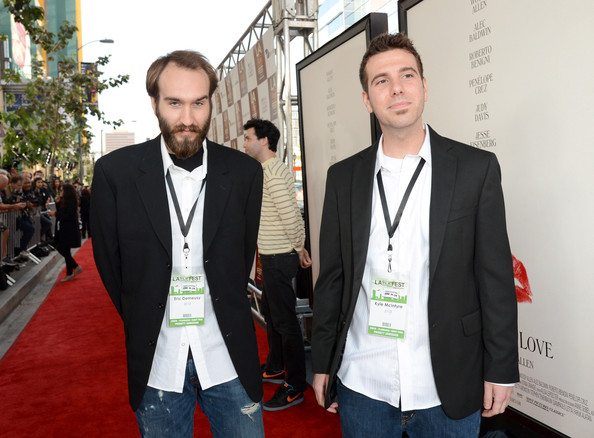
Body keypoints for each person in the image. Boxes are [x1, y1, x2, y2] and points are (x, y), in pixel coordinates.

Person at [311, 32, 519, 437]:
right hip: (363, 381)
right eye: (381, 81)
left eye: (406, 75)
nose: (396, 88)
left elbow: (494, 277)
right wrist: (322, 362)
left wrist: (501, 367)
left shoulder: (475, 169)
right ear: (367, 100)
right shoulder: (343, 178)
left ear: (423, 87)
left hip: (447, 383)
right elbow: (332, 278)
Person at [91, 50, 264, 438]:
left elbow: (239, 261)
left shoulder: (244, 174)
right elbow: (111, 266)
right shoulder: (115, 174)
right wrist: (145, 316)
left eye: (198, 103)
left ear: (210, 103)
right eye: (174, 103)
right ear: (154, 103)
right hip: (158, 360)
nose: (187, 119)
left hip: (227, 356)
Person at [242, 118, 312, 411]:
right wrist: (300, 244)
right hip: (274, 255)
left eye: (248, 138)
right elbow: (293, 213)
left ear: (264, 141)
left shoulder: (271, 172)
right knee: (272, 314)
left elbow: (288, 214)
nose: (244, 143)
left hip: (278, 257)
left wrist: (299, 247)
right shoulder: (272, 169)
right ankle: (275, 367)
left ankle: (295, 386)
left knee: (284, 322)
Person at [50, 183, 82, 281]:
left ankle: (71, 271)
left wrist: (55, 213)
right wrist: (58, 202)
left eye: (62, 190)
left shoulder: (71, 201)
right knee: (62, 248)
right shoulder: (64, 201)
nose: (60, 192)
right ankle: (74, 268)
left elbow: (66, 215)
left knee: (64, 249)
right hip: (63, 229)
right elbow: (62, 211)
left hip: (68, 230)